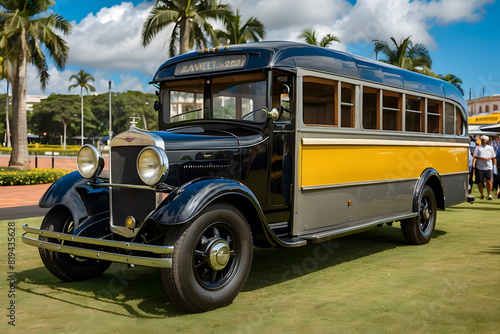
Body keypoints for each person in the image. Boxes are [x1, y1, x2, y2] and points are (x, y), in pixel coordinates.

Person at [472, 135, 497, 200]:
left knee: (489, 180)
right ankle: (481, 194)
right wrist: (483, 159)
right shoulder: (478, 147)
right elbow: (475, 156)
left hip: (489, 167)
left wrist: (495, 165)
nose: (484, 141)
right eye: (483, 140)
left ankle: (489, 194)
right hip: (480, 167)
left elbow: (493, 157)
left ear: (487, 141)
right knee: (480, 181)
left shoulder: (490, 148)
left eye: (485, 140)